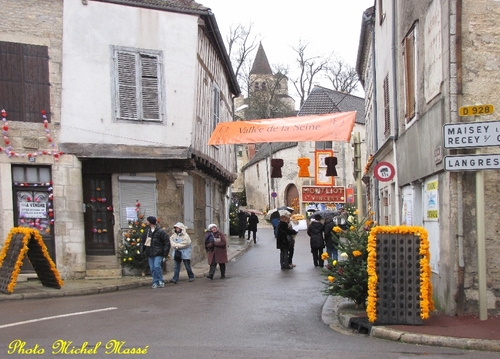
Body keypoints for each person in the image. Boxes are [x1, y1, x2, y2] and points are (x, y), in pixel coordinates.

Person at [140, 216, 170, 288]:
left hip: (158, 252)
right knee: (152, 268)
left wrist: (165, 253)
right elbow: (143, 241)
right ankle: (155, 281)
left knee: (157, 266)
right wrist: (142, 250)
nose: (146, 222)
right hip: (150, 252)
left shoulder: (161, 232)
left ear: (150, 222)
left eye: (147, 221)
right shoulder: (147, 231)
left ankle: (160, 280)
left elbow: (166, 242)